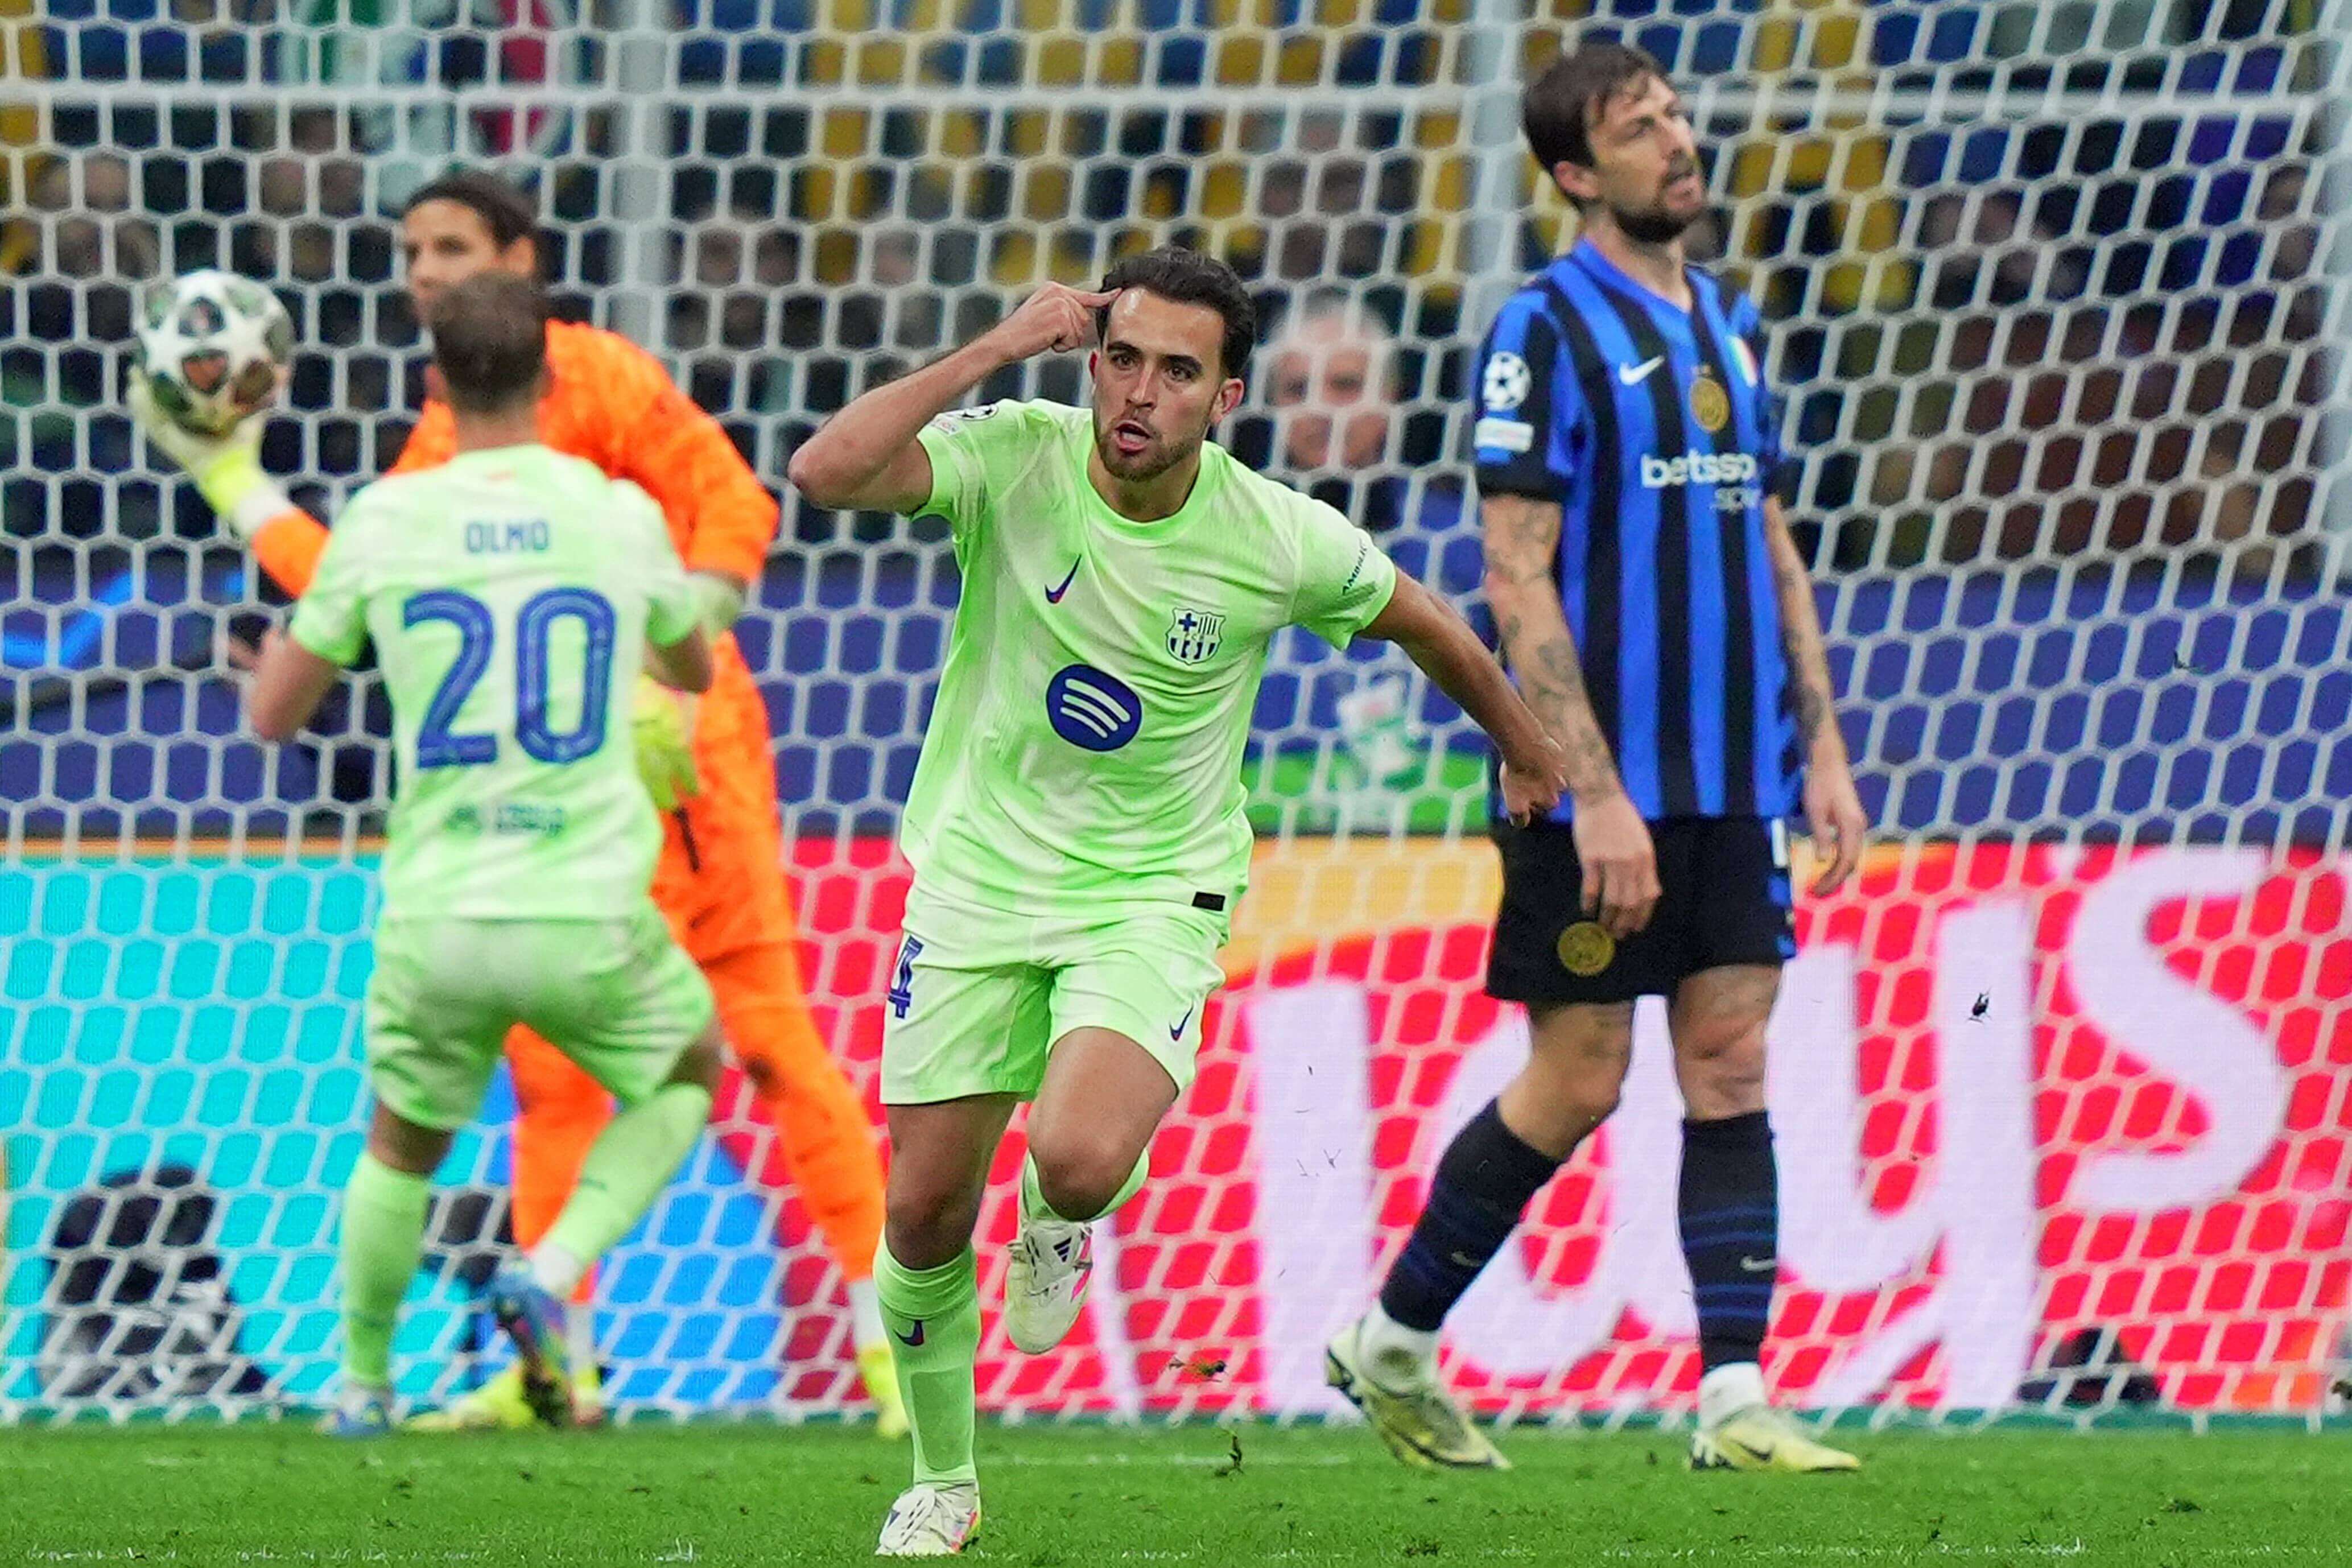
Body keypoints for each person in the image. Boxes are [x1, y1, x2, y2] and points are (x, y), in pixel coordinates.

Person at [786, 244, 1568, 1555]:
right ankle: (943, 1477)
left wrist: (1527, 743)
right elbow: (822, 472)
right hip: (976, 879)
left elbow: (1424, 618)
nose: (1141, 392)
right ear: (1090, 361)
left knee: (1080, 1158)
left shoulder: (1272, 535)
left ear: (1228, 398)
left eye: (1179, 371)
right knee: (920, 1209)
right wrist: (991, 347)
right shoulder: (1014, 455)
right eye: (1124, 358)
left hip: (1152, 889)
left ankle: (1057, 1211)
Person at [131, 168, 905, 1436]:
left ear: (520, 258)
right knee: (552, 1081)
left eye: (450, 247)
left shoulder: (598, 377)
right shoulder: (446, 437)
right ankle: (562, 1363)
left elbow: (735, 508)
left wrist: (676, 679)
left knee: (768, 1042)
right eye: (410, 251)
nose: (425, 270)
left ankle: (890, 1358)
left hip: (681, 760)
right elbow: (362, 584)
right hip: (571, 794)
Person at [1324, 40, 1872, 1475]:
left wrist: (1820, 747)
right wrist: (1598, 791)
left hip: (1736, 775)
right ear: (1575, 172)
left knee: (1732, 1058)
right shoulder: (1543, 331)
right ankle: (1391, 1341)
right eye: (1641, 128)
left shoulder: (1732, 325)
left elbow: (1766, 535)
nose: (1678, 142)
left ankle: (1736, 1397)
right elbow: (1516, 573)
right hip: (1603, 786)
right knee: (1577, 1078)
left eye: (1680, 116)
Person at [242, 273, 722, 1435]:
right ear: (553, 381)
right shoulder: (619, 515)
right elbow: (694, 666)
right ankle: (548, 1274)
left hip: (442, 907)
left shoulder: (385, 519)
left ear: (436, 387)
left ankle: (360, 1386)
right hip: (587, 907)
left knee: (399, 1142)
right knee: (692, 1069)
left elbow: (275, 713)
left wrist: (298, 646)